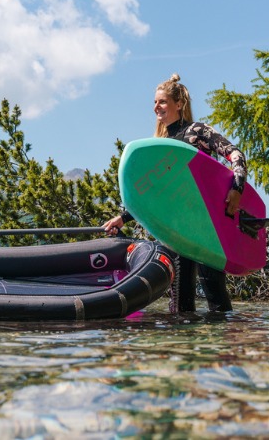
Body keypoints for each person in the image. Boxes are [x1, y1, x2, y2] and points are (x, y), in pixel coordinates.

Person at [103, 73, 247, 313]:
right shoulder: (159, 145)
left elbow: (236, 154)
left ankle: (224, 338)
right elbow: (153, 194)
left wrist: (237, 187)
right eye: (155, 102)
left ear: (178, 104)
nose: (156, 107)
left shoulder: (197, 131)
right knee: (180, 305)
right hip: (175, 231)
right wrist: (123, 218)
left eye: (162, 101)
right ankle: (183, 339)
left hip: (205, 227)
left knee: (216, 298)